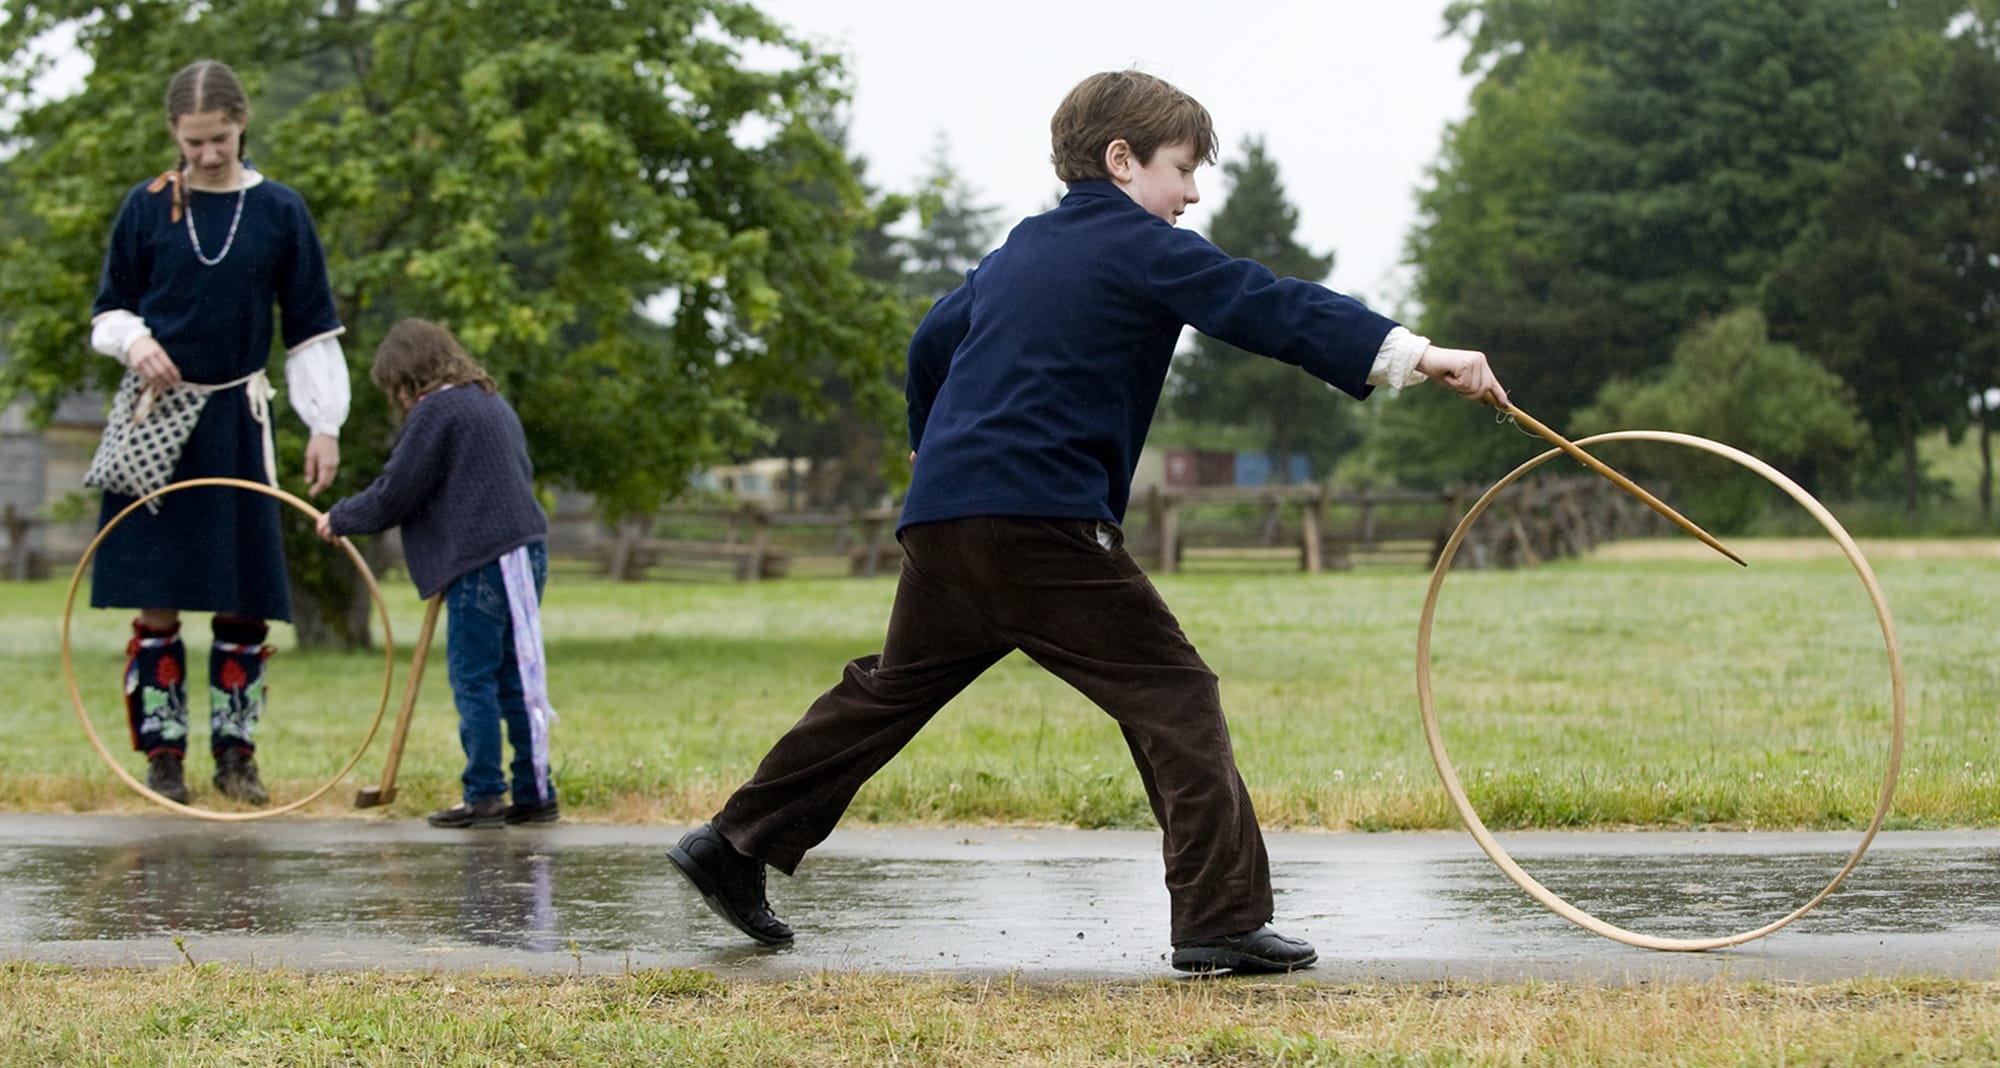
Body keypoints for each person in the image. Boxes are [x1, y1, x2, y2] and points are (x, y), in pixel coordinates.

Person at [667, 69, 1509, 974]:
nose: (1192, 193)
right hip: (1039, 521)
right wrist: (1420, 355)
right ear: (1121, 160)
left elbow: (931, 340)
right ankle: (1220, 921)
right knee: (1175, 695)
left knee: (891, 690)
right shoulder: (1140, 245)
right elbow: (1267, 304)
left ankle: (732, 843)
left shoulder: (1015, 254)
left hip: (948, 519)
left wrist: (929, 444)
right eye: (1182, 168)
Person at [88, 59, 351, 806]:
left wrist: (323, 427)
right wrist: (134, 340)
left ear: (242, 125)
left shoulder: (279, 211)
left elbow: (309, 328)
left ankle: (237, 757)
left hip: (238, 419)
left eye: (221, 139)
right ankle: (163, 759)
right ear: (174, 132)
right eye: (194, 141)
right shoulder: (144, 209)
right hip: (157, 421)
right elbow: (109, 307)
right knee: (158, 597)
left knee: (240, 600)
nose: (207, 154)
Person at [317, 318, 558, 830]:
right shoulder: (488, 400)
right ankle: (535, 792)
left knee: (475, 679)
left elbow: (397, 490)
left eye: (396, 389)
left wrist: (341, 519)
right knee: (516, 676)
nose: (399, 400)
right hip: (524, 551)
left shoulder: (438, 410)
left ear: (410, 376)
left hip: (486, 561)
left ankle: (484, 794)